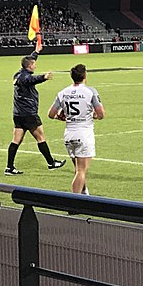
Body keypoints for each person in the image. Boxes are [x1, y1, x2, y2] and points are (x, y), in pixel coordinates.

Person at [5, 44, 65, 175]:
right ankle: (51, 163)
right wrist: (43, 77)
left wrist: (36, 52)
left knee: (16, 140)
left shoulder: (18, 74)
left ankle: (9, 168)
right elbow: (31, 80)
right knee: (40, 137)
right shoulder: (25, 78)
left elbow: (29, 63)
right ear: (29, 66)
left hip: (18, 113)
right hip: (29, 114)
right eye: (34, 64)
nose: (35, 66)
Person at [47, 64, 105, 195]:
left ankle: (85, 194)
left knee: (78, 169)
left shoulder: (63, 92)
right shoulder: (90, 92)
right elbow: (101, 114)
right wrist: (93, 115)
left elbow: (51, 114)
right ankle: (74, 200)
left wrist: (60, 117)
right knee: (81, 171)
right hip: (84, 134)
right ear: (84, 75)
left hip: (69, 134)